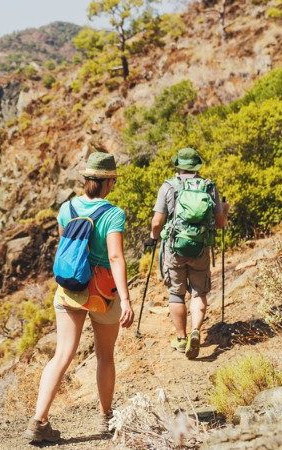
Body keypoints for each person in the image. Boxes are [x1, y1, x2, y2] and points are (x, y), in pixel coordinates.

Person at [24, 152, 135, 443]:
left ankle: (38, 421)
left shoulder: (67, 207)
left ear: (87, 180)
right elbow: (115, 257)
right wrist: (126, 299)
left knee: (61, 354)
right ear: (109, 182)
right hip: (102, 293)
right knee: (105, 355)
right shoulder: (113, 214)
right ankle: (106, 417)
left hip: (71, 288)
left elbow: (66, 245)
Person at [147, 148, 229, 359]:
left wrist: (153, 238)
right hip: (200, 247)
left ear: (178, 165)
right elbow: (220, 223)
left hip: (174, 248)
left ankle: (182, 338)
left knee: (176, 293)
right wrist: (225, 210)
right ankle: (195, 331)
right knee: (198, 292)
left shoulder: (168, 186)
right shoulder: (209, 187)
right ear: (197, 166)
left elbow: (157, 222)